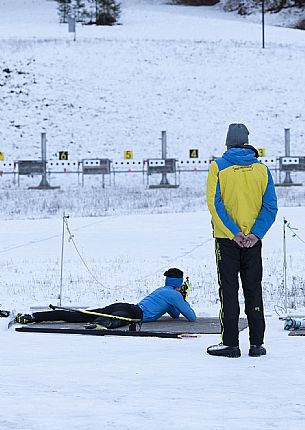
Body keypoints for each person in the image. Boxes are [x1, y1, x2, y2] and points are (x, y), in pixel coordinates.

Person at [206, 123, 277, 358]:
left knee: (228, 290)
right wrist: (255, 233)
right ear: (247, 141)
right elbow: (270, 207)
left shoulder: (218, 167)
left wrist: (234, 233)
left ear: (227, 143)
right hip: (253, 242)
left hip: (227, 241)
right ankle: (257, 344)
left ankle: (230, 344)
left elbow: (214, 204)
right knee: (253, 290)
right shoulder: (262, 170)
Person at [8, 268, 196, 329]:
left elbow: (173, 313)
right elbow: (191, 317)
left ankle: (35, 317)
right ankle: (101, 324)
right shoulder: (173, 294)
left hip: (125, 305)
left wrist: (180, 298)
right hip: (132, 312)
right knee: (118, 320)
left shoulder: (165, 291)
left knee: (80, 315)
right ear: (178, 283)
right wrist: (183, 298)